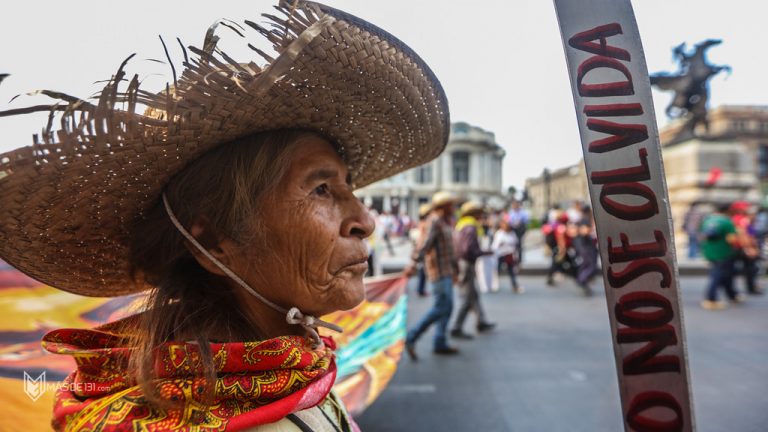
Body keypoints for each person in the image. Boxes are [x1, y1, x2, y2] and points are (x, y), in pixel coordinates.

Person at [0, 1, 450, 430]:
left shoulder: (289, 365)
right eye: (321, 189)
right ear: (215, 243)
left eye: (348, 187)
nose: (364, 221)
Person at [404, 191, 461, 359]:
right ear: (444, 207)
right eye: (451, 204)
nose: (454, 207)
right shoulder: (434, 221)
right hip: (438, 272)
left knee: (447, 307)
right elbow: (424, 244)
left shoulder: (445, 222)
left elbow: (450, 250)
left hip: (447, 271)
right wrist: (413, 263)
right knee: (441, 307)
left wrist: (455, 271)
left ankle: (440, 341)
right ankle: (412, 336)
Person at [451, 201, 496, 339]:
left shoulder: (462, 225)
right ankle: (456, 327)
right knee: (467, 297)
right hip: (466, 264)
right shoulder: (470, 227)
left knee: (474, 295)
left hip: (463, 263)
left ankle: (481, 321)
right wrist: (484, 252)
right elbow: (468, 249)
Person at [699, 203, 743, 309]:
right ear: (728, 211)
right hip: (723, 252)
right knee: (717, 275)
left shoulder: (707, 220)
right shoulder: (727, 222)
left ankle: (732, 295)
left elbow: (702, 235)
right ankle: (711, 299)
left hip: (710, 251)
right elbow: (731, 239)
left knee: (727, 274)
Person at [492, 219, 523, 293]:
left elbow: (515, 243)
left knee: (511, 271)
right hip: (501, 254)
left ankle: (514, 286)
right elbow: (495, 245)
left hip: (509, 254)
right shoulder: (499, 234)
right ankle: (495, 285)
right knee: (497, 271)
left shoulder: (512, 233)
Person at [412, 203, 434, 297]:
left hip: (421, 248)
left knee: (422, 270)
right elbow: (422, 238)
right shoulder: (425, 224)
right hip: (422, 249)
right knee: (422, 270)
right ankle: (420, 290)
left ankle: (421, 289)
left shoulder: (422, 223)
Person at [505, 200, 529, 265]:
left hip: (520, 230)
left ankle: (519, 259)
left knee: (519, 244)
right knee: (512, 244)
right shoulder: (511, 212)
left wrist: (519, 222)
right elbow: (508, 220)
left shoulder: (523, 213)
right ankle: (512, 258)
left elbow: (526, 221)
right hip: (513, 229)